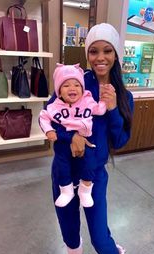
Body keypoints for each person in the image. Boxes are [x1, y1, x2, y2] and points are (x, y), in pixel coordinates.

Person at [45, 23, 134, 254]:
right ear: (87, 54)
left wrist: (112, 110)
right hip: (63, 170)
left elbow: (119, 141)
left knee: (98, 233)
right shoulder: (73, 81)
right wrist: (68, 137)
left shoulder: (123, 95)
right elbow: (50, 115)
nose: (100, 57)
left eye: (107, 50)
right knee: (67, 222)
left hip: (94, 175)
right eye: (94, 51)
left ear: (116, 54)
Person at [39, 63, 106, 208]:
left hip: (86, 140)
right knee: (62, 166)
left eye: (77, 85)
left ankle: (85, 190)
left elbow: (99, 110)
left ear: (82, 89)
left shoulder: (87, 101)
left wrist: (105, 101)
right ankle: (66, 190)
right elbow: (43, 117)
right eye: (66, 85)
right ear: (59, 91)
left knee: (89, 164)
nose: (72, 88)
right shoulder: (54, 106)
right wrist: (48, 130)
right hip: (63, 143)